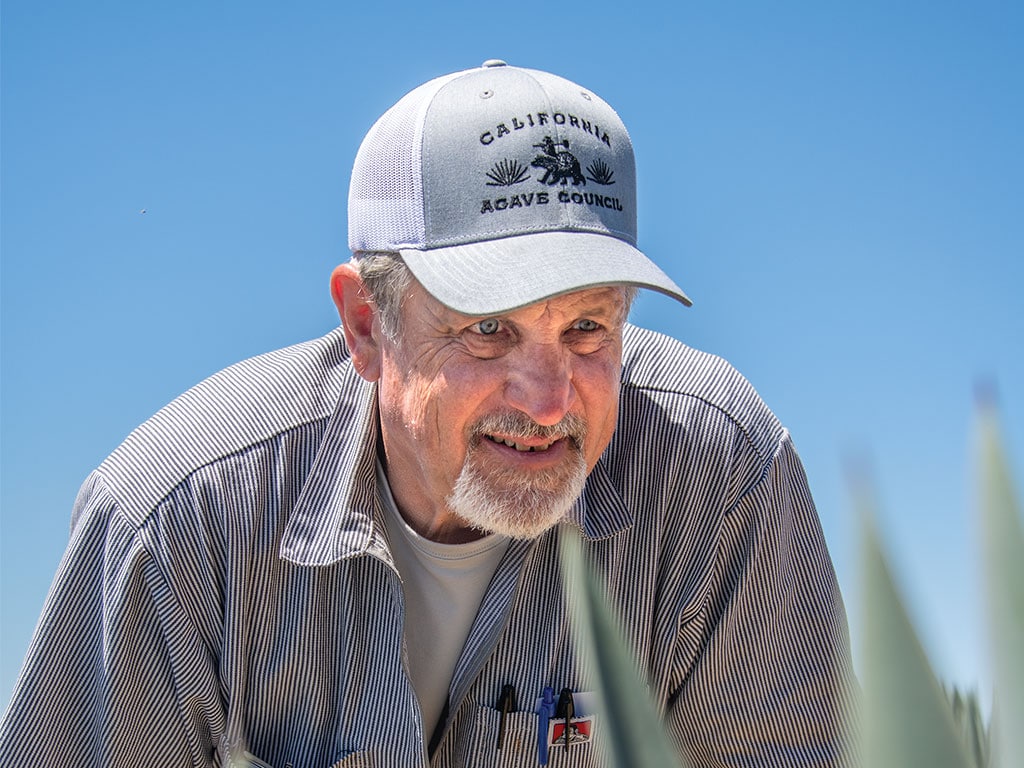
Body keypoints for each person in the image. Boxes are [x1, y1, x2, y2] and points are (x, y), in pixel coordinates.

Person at [1, 60, 855, 766]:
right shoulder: (174, 517)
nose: (550, 400)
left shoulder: (726, 479)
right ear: (368, 327)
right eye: (488, 331)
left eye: (589, 327)